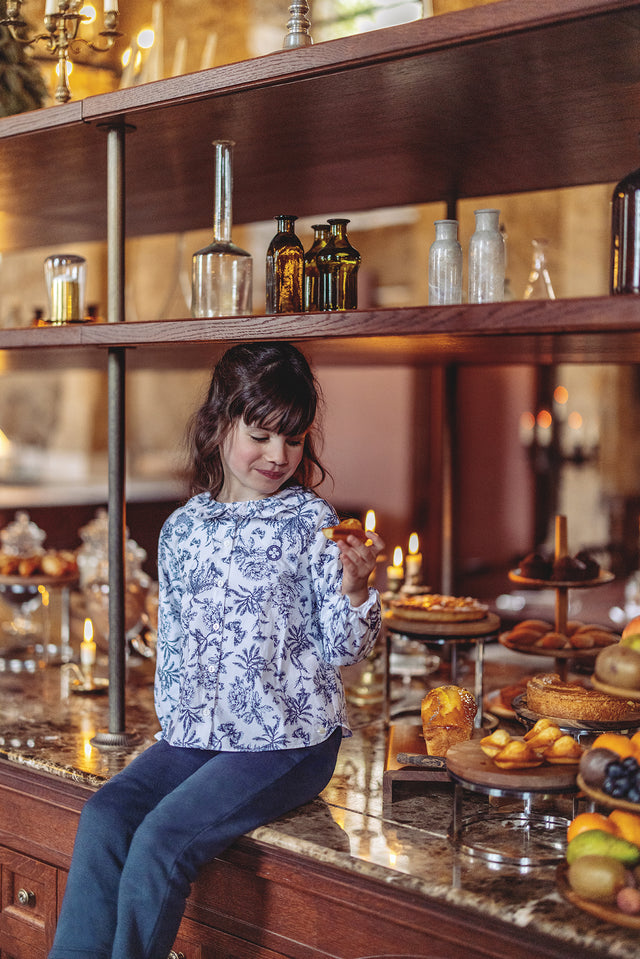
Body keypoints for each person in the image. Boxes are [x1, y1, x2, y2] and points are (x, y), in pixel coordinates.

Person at [49, 341, 384, 959]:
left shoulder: (310, 521)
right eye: (261, 435)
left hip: (290, 741)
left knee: (160, 843)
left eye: (295, 438)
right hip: (198, 737)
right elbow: (175, 648)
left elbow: (346, 649)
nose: (279, 455)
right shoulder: (182, 528)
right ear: (219, 423)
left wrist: (357, 588)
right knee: (104, 816)